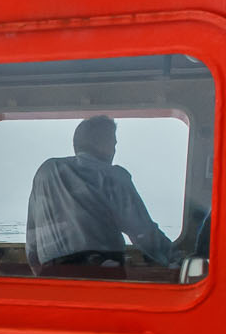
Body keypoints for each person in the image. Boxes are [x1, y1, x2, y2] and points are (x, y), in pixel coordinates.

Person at [25, 115, 180, 274]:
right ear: (104, 145)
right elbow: (143, 232)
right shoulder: (113, 175)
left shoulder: (47, 171)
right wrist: (176, 258)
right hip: (102, 272)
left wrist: (41, 274)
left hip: (51, 275)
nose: (114, 150)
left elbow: (32, 240)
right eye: (113, 144)